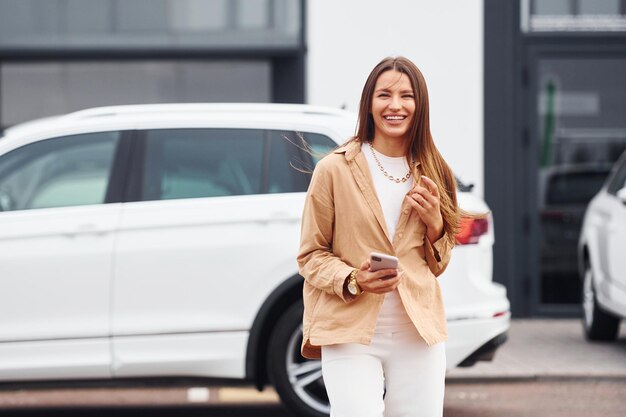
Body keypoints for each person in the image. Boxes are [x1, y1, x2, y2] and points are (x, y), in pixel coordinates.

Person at [297, 56, 464, 417]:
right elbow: (310, 255)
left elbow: (439, 263)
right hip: (349, 330)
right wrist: (355, 278)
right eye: (384, 94)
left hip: (418, 332)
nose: (395, 105)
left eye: (407, 96)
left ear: (420, 105)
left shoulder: (437, 170)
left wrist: (435, 224)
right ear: (369, 103)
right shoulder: (334, 170)